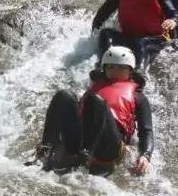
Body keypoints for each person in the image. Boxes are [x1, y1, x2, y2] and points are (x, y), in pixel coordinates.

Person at [33, 46, 154, 176]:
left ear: (130, 71)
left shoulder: (138, 97)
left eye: (121, 68)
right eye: (111, 67)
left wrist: (145, 155)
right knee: (64, 95)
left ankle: (87, 157)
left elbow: (146, 130)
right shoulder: (94, 89)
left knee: (95, 100)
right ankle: (46, 150)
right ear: (104, 69)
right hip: (82, 140)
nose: (115, 71)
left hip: (110, 145)